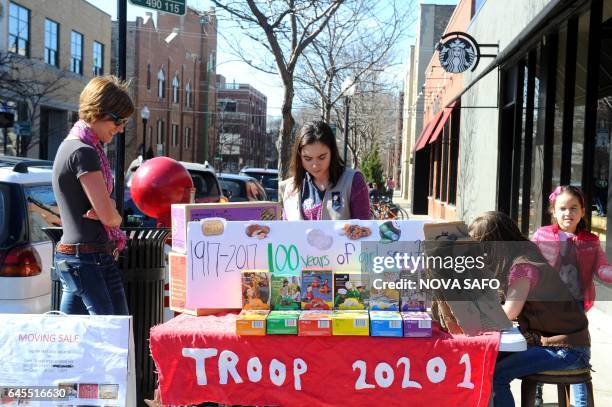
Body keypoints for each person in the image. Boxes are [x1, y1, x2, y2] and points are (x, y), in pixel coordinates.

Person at [468, 211, 591, 407]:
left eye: (482, 248)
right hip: (550, 342)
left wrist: (472, 316)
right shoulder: (519, 258)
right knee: (485, 361)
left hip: (568, 349)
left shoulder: (523, 267)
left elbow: (509, 312)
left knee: (497, 374)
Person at [52, 75, 134, 315]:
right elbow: (110, 218)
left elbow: (102, 213)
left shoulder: (72, 146)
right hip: (87, 258)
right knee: (109, 337)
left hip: (84, 256)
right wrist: (111, 212)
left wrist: (104, 210)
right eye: (119, 121)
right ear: (99, 111)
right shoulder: (84, 152)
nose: (120, 129)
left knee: (74, 339)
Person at [531, 185, 612, 406]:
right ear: (554, 212)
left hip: (575, 305)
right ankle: (536, 393)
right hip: (545, 304)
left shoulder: (591, 240)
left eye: (574, 208)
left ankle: (580, 403)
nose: (568, 213)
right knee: (541, 345)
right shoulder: (542, 235)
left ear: (583, 211)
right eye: (563, 208)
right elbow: (527, 262)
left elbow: (602, 268)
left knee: (578, 353)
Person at [279, 121, 370, 220]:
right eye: (308, 159)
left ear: (332, 152)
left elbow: (364, 229)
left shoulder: (353, 181)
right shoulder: (290, 187)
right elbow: (286, 229)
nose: (314, 165)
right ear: (299, 156)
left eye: (322, 157)